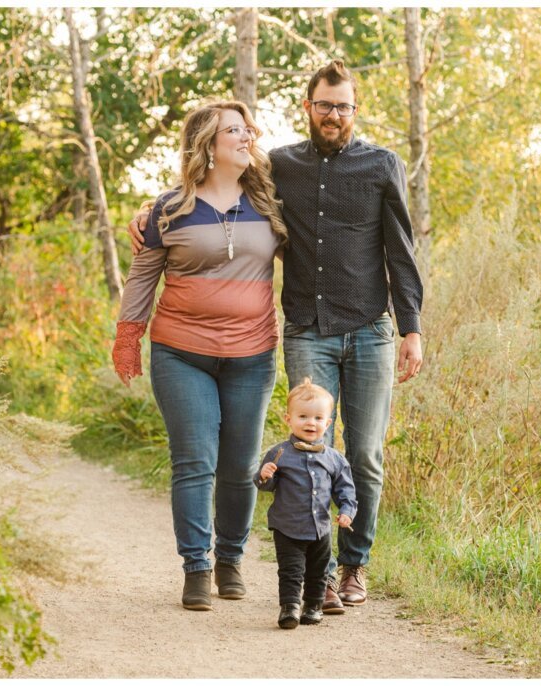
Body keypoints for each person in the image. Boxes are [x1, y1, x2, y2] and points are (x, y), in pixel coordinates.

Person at [127, 61, 424, 611]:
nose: (333, 115)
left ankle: (355, 565)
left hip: (371, 330)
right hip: (307, 329)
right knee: (314, 448)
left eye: (343, 106)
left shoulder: (383, 165)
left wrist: (412, 328)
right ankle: (322, 575)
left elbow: (400, 250)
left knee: (364, 454)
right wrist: (153, 209)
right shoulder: (280, 167)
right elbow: (216, 182)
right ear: (307, 108)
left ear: (355, 110)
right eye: (324, 105)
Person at [111, 100, 288, 611]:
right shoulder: (169, 209)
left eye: (249, 128)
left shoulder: (272, 203)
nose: (247, 136)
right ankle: (197, 567)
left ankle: (230, 560)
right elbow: (143, 276)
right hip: (181, 353)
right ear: (209, 145)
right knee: (194, 462)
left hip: (252, 355)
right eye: (235, 130)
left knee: (240, 466)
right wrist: (128, 337)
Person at [254, 378, 357, 629]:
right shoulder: (279, 453)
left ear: (328, 423)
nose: (311, 423)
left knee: (318, 571)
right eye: (303, 416)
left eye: (318, 418)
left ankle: (313, 606)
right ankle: (289, 608)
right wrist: (264, 476)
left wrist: (346, 511)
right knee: (290, 571)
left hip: (320, 527)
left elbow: (345, 490)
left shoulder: (334, 459)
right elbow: (266, 485)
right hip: (287, 526)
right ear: (289, 419)